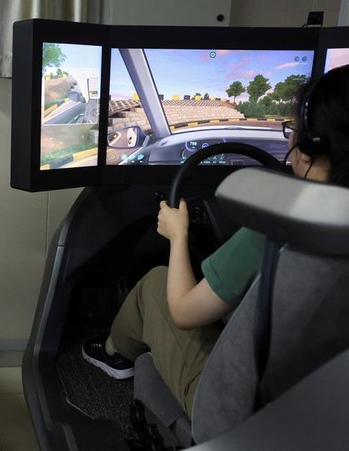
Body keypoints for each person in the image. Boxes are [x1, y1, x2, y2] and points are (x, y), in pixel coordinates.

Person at [81, 64, 349, 417]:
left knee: (156, 283)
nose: (289, 141)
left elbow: (184, 312)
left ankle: (114, 352)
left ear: (310, 146)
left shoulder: (275, 233)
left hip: (233, 411)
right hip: (323, 407)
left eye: (293, 131)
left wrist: (178, 235)